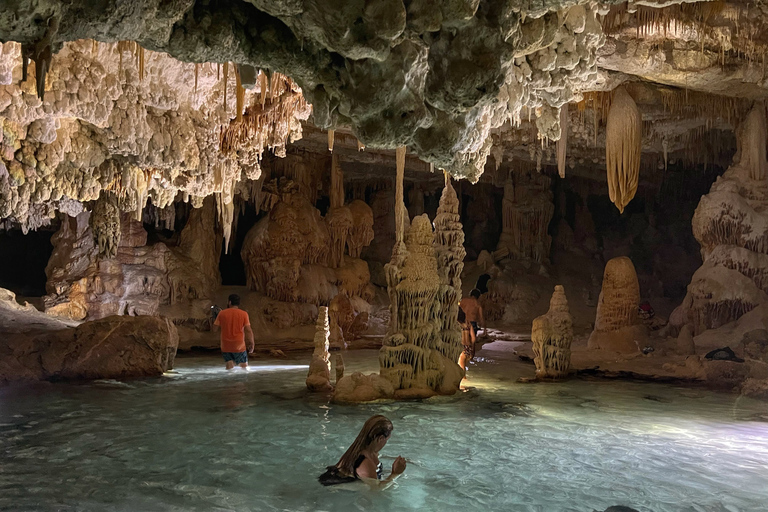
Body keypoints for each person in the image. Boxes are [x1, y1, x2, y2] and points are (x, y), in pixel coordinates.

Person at [318, 415, 406, 488]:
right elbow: (376, 490)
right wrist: (395, 474)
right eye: (387, 439)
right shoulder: (365, 463)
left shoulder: (364, 449)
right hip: (336, 490)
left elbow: (379, 457)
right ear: (381, 438)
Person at [213, 294, 255, 370]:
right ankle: (244, 381)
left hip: (226, 345)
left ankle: (229, 381)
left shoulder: (222, 313)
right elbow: (248, 330)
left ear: (229, 302)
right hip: (239, 345)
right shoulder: (244, 314)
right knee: (244, 367)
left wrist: (215, 318)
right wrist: (252, 343)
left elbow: (214, 329)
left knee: (229, 366)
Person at [457, 307, 476, 372]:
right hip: (469, 349)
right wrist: (473, 349)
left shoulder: (457, 324)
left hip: (462, 349)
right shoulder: (468, 324)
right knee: (463, 368)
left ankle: (466, 381)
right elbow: (473, 338)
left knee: (461, 372)